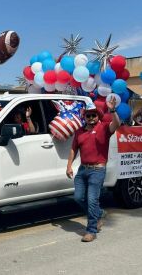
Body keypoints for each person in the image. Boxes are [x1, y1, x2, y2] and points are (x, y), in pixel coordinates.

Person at [66, 96, 121, 242]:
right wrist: (69, 166)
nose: (90, 118)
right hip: (83, 170)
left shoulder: (104, 127)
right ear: (84, 116)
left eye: (93, 115)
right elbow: (73, 149)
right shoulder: (79, 131)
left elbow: (117, 123)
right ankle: (99, 213)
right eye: (88, 115)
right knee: (78, 198)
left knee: (92, 200)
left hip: (97, 170)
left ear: (98, 116)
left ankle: (91, 230)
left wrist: (113, 110)